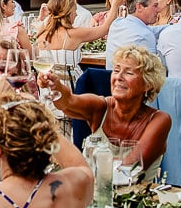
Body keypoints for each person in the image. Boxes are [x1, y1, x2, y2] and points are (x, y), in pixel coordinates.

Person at [42, 44, 171, 181]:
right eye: (116, 70)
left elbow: (128, 169)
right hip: (94, 197)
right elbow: (68, 102)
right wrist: (56, 86)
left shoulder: (159, 120)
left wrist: (76, 161)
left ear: (148, 84)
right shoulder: (101, 107)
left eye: (129, 73)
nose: (119, 77)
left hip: (135, 200)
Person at [36, 0, 124, 87]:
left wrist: (43, 18)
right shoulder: (73, 34)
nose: (76, 15)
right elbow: (105, 29)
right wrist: (115, 5)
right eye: (75, 10)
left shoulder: (41, 33)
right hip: (72, 89)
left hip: (48, 88)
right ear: (68, 12)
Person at [103, 0, 165, 67]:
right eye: (155, 6)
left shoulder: (116, 24)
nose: (158, 10)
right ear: (139, 7)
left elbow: (153, 30)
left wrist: (175, 26)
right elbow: (152, 72)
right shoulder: (145, 34)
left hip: (112, 78)